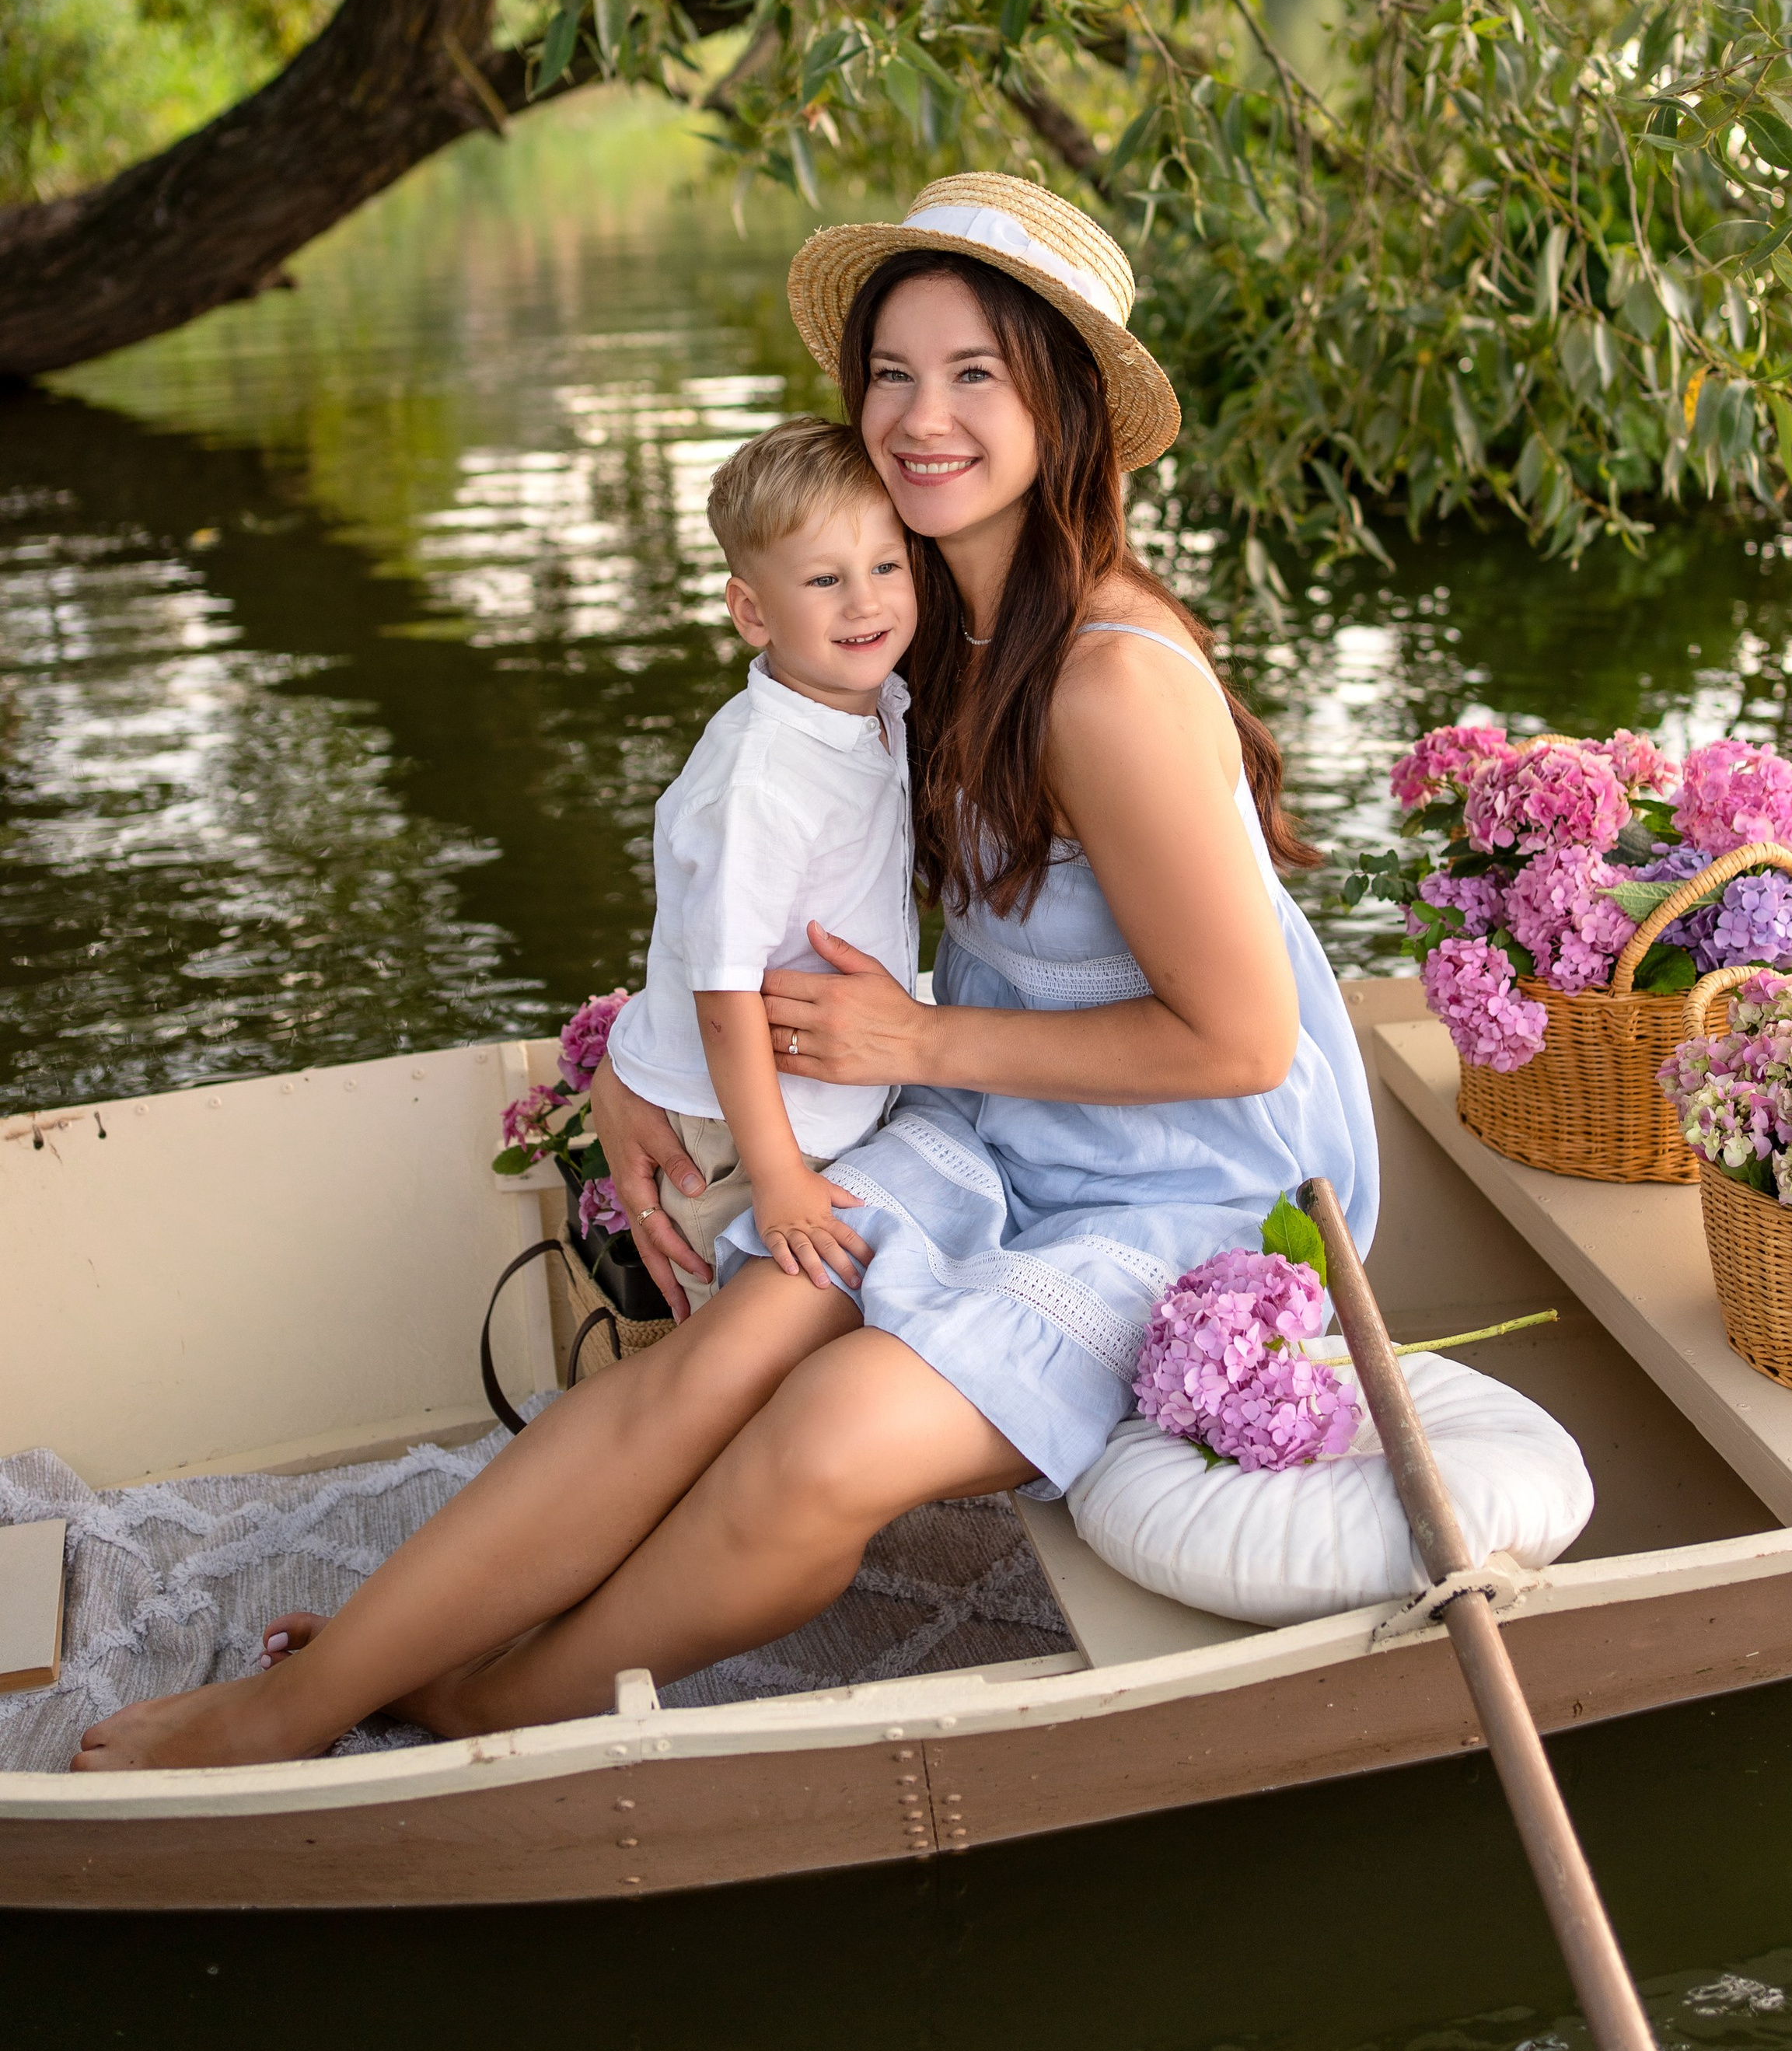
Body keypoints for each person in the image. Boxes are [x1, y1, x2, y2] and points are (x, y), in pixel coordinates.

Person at [73, 171, 1378, 1773]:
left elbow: (1242, 1045)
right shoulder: (910, 627)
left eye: (975, 373)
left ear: (1065, 408)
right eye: (891, 372)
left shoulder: (1106, 685)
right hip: (1008, 1122)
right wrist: (642, 1052)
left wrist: (912, 1043)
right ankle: (303, 1695)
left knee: (818, 1441)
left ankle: (466, 1711)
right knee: (725, 1354)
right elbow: (756, 855)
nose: (920, 418)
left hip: (1186, 1182)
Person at [603, 414, 916, 1296]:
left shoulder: (871, 702)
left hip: (821, 1101)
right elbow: (724, 990)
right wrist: (777, 1176)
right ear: (752, 611)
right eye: (824, 579)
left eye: (886, 566)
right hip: (739, 1133)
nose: (865, 602)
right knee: (740, 1310)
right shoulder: (759, 783)